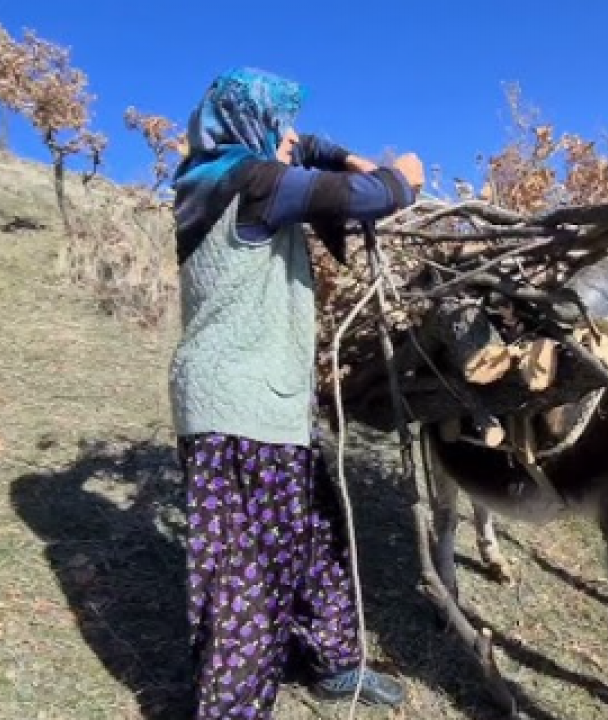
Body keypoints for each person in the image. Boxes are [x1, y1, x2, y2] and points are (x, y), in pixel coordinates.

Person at [167, 67, 424, 719]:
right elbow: (366, 195)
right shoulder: (253, 185)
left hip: (260, 400)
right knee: (247, 577)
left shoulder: (211, 177)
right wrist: (404, 179)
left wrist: (311, 144)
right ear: (250, 124)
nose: (288, 136)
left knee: (315, 530)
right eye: (276, 122)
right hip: (240, 407)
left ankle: (333, 661)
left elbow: (308, 157)